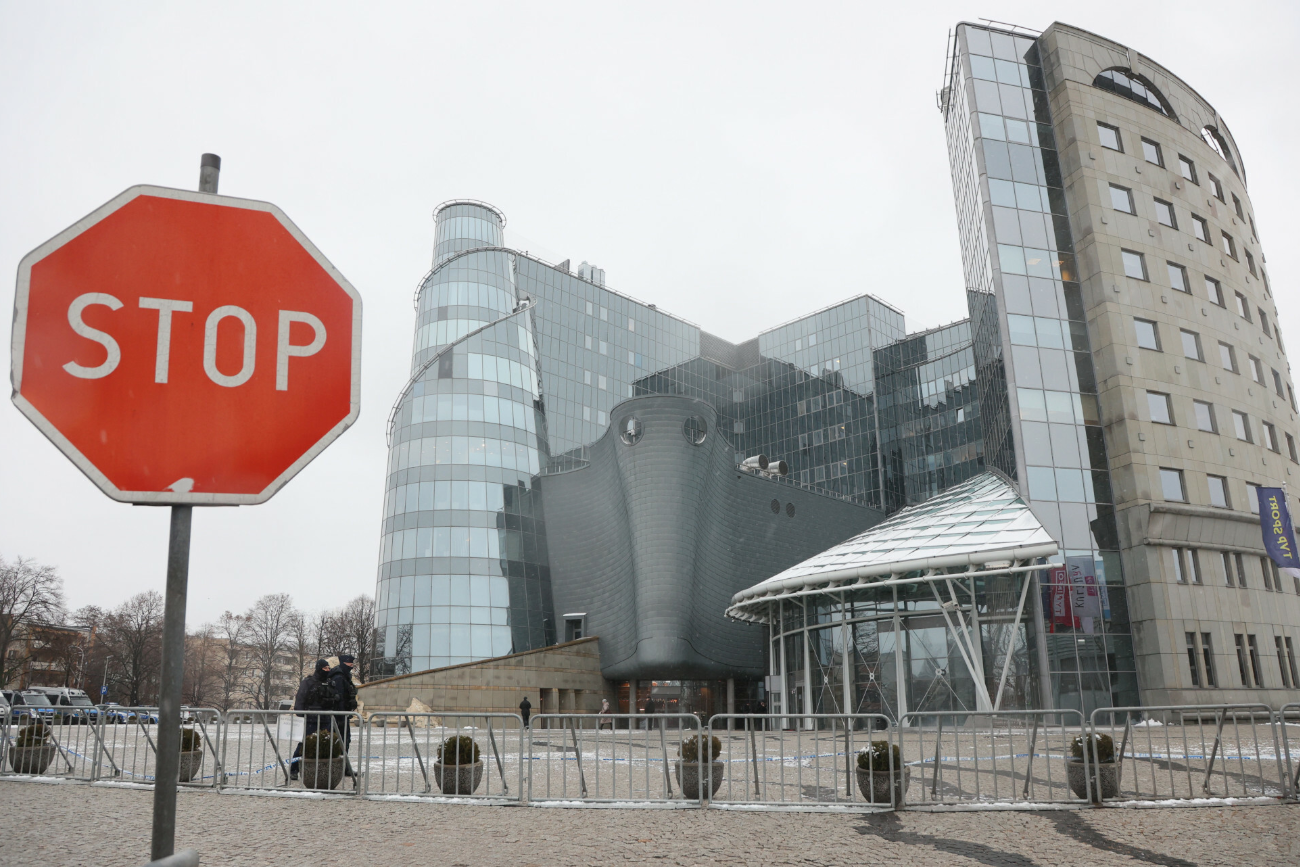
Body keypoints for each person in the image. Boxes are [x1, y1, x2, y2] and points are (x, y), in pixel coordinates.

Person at [289, 659, 332, 781]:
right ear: (319, 669)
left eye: (329, 668)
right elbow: (301, 698)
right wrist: (301, 712)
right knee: (305, 744)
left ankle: (321, 771)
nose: (327, 671)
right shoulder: (308, 682)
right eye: (325, 668)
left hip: (326, 717)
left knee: (326, 744)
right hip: (311, 719)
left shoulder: (329, 682)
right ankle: (294, 768)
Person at [329, 654, 360, 776]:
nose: (351, 665)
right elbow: (340, 698)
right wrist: (341, 715)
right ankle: (338, 768)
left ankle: (344, 767)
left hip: (344, 714)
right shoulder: (339, 677)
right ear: (343, 663)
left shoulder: (345, 675)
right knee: (340, 741)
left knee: (345, 741)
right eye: (349, 663)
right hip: (339, 716)